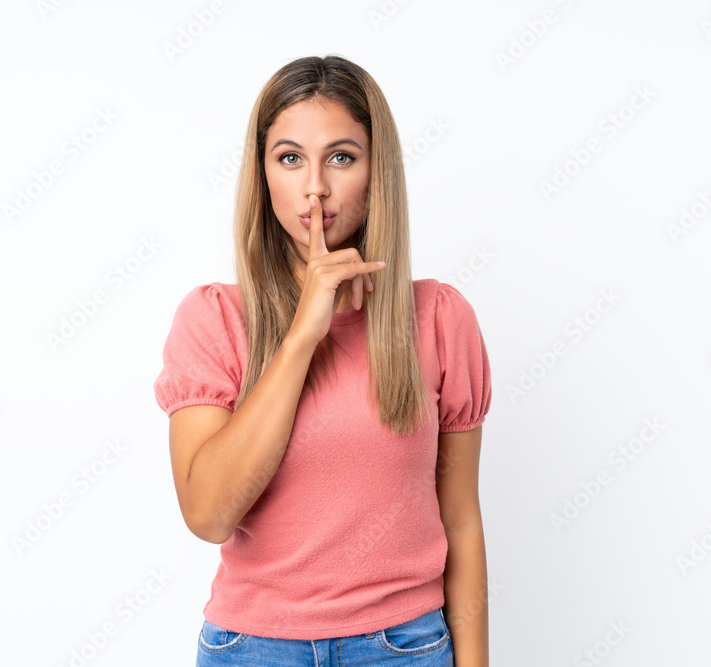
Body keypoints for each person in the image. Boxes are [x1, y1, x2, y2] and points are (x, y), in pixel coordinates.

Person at [154, 54, 491, 666]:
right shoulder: (214, 320)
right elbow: (208, 515)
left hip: (404, 647)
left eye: (341, 156)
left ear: (376, 169)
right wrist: (303, 335)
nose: (315, 186)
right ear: (263, 175)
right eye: (290, 158)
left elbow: (462, 522)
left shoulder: (440, 319)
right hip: (251, 649)